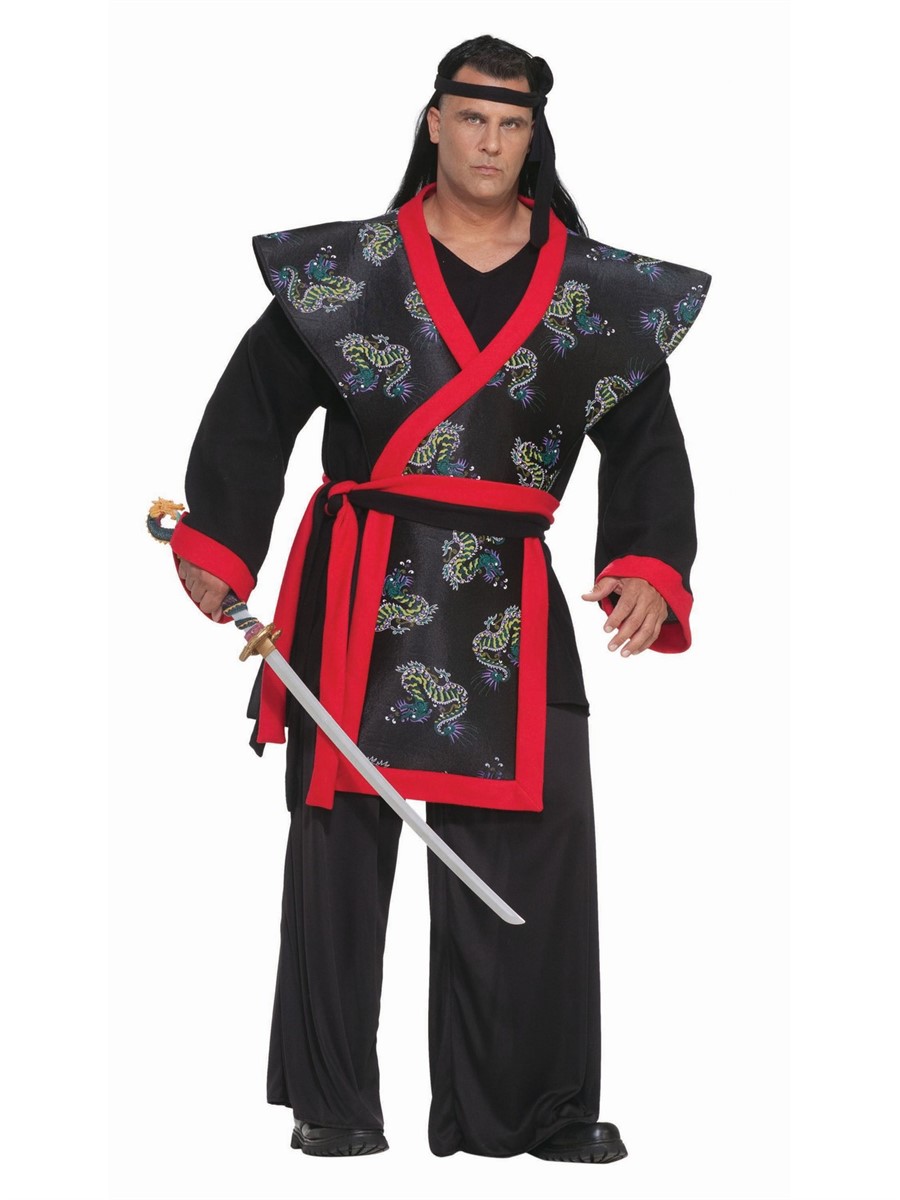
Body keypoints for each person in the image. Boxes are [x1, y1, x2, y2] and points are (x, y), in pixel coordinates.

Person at [169, 34, 711, 1162]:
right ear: (434, 122)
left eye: (512, 124)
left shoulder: (592, 291)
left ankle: (535, 1109)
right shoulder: (351, 272)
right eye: (472, 118)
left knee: (539, 837)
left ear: (535, 136)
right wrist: (221, 538)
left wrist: (646, 561)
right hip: (359, 579)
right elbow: (256, 406)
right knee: (340, 841)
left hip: (509, 583)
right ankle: (334, 1103)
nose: (490, 143)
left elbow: (647, 444)